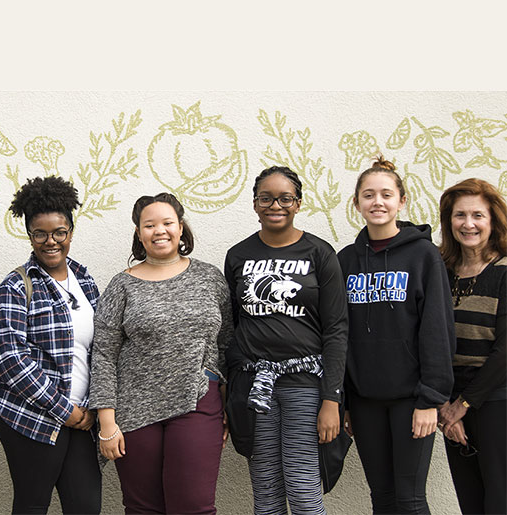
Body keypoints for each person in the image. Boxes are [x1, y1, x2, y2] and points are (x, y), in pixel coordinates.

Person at [89, 192, 232, 515]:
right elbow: (104, 356)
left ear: (181, 228)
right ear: (139, 234)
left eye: (167, 223)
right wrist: (107, 423)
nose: (160, 231)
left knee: (194, 506)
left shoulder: (209, 278)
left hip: (198, 402)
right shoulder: (122, 286)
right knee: (143, 508)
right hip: (136, 410)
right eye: (149, 225)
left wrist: (228, 404)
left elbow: (226, 345)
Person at [223, 166, 348, 515]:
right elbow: (233, 325)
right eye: (266, 198)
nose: (274, 205)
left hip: (305, 385)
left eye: (284, 198)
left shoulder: (320, 253)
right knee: (265, 490)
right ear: (254, 203)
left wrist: (331, 399)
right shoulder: (238, 255)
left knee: (303, 486)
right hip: (255, 385)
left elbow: (336, 329)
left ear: (298, 203)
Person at [338, 157, 455, 514]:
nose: (378, 202)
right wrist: (343, 401)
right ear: (357, 202)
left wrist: (430, 399)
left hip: (412, 400)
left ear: (401, 201)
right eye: (368, 195)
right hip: (365, 401)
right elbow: (338, 335)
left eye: (386, 194)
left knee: (410, 499)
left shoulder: (424, 256)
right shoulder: (345, 261)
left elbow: (437, 329)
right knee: (382, 498)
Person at [0, 176, 101, 514]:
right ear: (29, 234)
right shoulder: (16, 286)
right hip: (32, 416)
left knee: (85, 506)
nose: (50, 241)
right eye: (40, 233)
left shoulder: (86, 281)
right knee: (32, 504)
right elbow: (10, 359)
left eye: (59, 232)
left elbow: (101, 350)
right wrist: (63, 409)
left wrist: (92, 407)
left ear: (70, 231)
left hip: (82, 415)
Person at [437, 178, 506, 515]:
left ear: (493, 220)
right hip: (451, 397)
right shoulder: (442, 272)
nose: (468, 224)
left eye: (477, 215)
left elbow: (506, 352)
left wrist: (462, 405)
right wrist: (445, 406)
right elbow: (429, 341)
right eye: (459, 215)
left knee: (500, 499)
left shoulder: (505, 272)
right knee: (470, 500)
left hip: (496, 398)